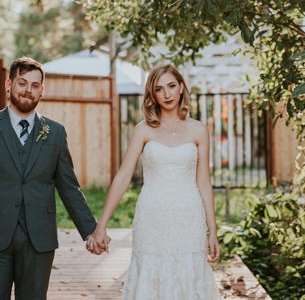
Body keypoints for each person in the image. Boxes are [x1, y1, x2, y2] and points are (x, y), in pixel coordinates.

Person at [0, 56, 103, 300]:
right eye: (22, 83)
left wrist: (91, 231)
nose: (28, 90)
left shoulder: (55, 133)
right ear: (9, 84)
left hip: (39, 240)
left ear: (42, 90)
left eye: (35, 85)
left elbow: (69, 187)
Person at [90, 63, 220, 299]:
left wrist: (212, 230)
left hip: (188, 218)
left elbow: (204, 183)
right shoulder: (143, 130)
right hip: (151, 218)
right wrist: (102, 224)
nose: (167, 94)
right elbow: (123, 176)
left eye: (172, 86)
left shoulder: (199, 130)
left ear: (181, 87)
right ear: (153, 94)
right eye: (159, 89)